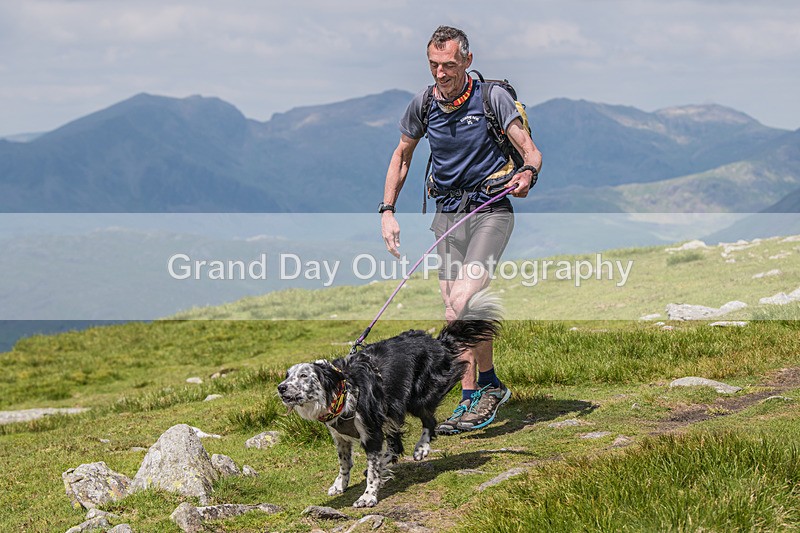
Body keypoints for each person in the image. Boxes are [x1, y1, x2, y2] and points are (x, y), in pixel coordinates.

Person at [379, 25, 543, 434]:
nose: (440, 73)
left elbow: (531, 153)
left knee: (460, 303)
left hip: (491, 210)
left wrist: (527, 174)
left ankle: (480, 392)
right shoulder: (423, 104)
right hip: (447, 215)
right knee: (459, 306)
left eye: (449, 65)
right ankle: (478, 392)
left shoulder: (493, 98)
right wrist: (387, 210)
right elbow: (402, 155)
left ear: (467, 61)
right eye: (433, 65)